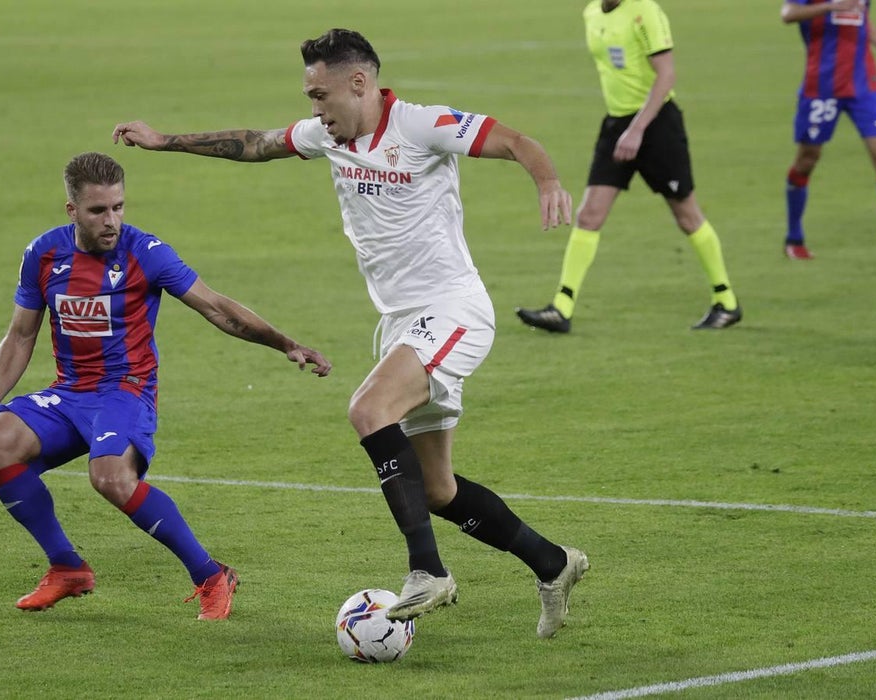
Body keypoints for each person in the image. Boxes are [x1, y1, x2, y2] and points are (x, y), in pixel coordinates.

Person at [113, 28, 588, 638]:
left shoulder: (422, 125)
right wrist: (166, 141)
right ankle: (553, 564)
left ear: (358, 83)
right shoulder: (326, 137)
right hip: (402, 324)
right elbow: (256, 144)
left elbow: (517, 141)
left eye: (320, 95)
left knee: (367, 409)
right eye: (309, 98)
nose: (314, 110)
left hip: (452, 310)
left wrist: (547, 181)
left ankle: (427, 572)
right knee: (438, 490)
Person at [0, 152, 331, 619]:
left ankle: (211, 574)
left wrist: (285, 343)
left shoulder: (145, 253)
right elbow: (20, 337)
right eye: (98, 211)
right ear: (72, 211)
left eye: (118, 207)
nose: (111, 220)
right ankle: (67, 568)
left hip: (125, 390)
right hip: (71, 391)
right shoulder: (44, 254)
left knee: (110, 477)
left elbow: (216, 307)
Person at [516, 0, 742, 333]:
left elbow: (666, 75)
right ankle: (561, 308)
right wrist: (624, 128)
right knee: (589, 215)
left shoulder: (644, 10)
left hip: (657, 126)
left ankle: (726, 301)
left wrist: (637, 129)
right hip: (616, 126)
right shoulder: (592, 13)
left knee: (687, 215)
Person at [781, 0, 876, 262]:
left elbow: (862, 19)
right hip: (821, 86)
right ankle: (794, 238)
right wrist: (831, 6)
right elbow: (788, 14)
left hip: (864, 86)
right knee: (806, 160)